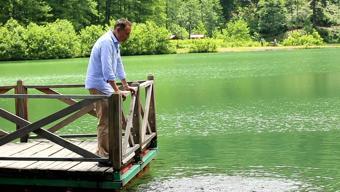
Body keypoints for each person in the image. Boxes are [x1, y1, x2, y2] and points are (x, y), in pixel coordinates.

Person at [85, 18, 135, 157]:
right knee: (105, 121)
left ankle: (104, 150)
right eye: (126, 33)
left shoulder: (115, 43)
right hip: (98, 84)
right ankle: (104, 155)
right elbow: (107, 69)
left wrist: (125, 85)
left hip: (104, 84)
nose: (127, 37)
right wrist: (117, 90)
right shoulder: (107, 42)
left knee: (112, 118)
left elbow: (118, 64)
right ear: (118, 30)